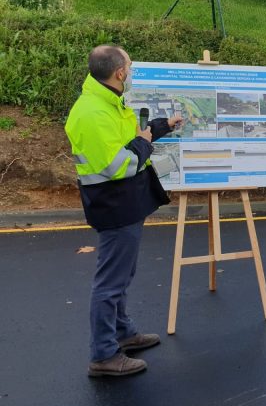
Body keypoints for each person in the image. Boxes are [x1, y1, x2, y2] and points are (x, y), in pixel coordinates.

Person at [65, 45, 182, 377]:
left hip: (125, 202)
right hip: (113, 204)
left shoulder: (106, 101)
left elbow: (129, 138)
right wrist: (145, 141)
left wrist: (160, 127)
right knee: (111, 281)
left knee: (122, 274)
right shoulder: (91, 112)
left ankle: (123, 333)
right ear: (119, 73)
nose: (131, 71)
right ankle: (103, 355)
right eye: (129, 66)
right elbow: (121, 164)